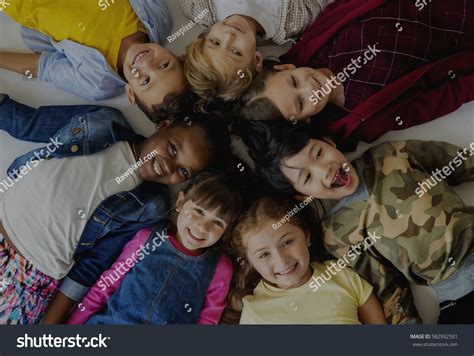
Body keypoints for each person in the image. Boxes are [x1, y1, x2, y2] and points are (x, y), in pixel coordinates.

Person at [0, 98, 232, 324]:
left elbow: (93, 264)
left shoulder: (151, 206)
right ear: (164, 125)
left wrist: (52, 321)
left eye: (183, 172)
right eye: (172, 149)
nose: (170, 166)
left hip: (31, 278)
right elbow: (31, 123)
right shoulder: (105, 122)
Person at [243, 121, 474, 323]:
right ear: (302, 195)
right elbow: (389, 289)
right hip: (458, 294)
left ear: (329, 142)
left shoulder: (389, 155)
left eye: (319, 153)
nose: (324, 170)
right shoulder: (336, 234)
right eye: (307, 177)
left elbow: (461, 163)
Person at [238, 0, 474, 148]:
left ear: (286, 68)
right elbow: (439, 99)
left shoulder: (315, 45)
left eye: (294, 81)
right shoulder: (363, 118)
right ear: (304, 120)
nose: (309, 88)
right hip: (463, 36)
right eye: (301, 103)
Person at [65, 173, 245, 324]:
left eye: (217, 223)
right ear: (181, 202)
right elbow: (105, 286)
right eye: (199, 211)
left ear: (226, 231)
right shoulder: (146, 238)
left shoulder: (220, 267)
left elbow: (208, 320)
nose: (202, 227)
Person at [0, 0, 185, 121]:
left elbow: (44, 67)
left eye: (145, 81)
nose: (147, 64)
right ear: (175, 56)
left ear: (130, 93)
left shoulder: (96, 83)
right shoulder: (158, 19)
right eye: (164, 65)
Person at [227, 196, 386, 324]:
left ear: (307, 237)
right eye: (264, 255)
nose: (282, 260)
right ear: (250, 263)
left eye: (287, 242)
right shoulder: (254, 311)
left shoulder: (340, 275)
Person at [181, 0, 332, 111]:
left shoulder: (200, 7)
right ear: (257, 60)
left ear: (203, 38)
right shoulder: (294, 20)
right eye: (236, 52)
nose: (229, 36)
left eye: (215, 42)